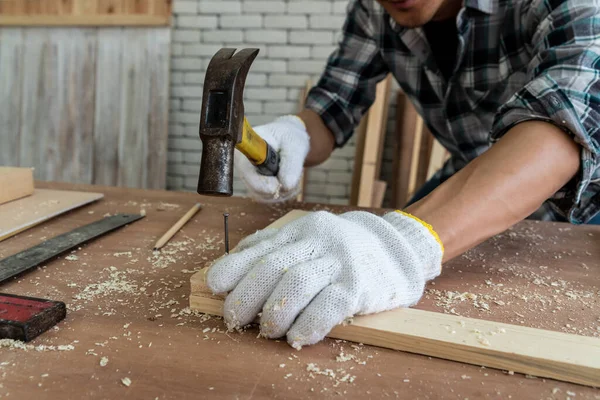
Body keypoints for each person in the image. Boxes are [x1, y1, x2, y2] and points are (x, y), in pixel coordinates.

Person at [206, 0, 600, 350]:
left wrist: (404, 243)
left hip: (585, 201)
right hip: (467, 174)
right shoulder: (376, 9)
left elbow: (563, 127)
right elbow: (334, 103)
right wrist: (294, 134)